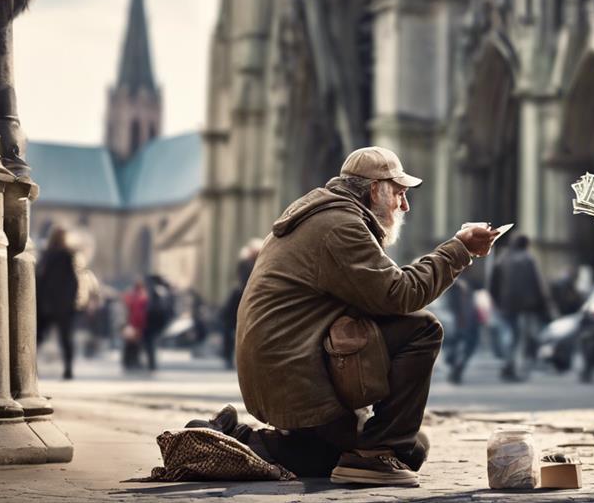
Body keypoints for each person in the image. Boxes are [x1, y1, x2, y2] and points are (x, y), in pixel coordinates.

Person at [200, 147, 497, 487]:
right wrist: (458, 249)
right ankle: (376, 456)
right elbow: (400, 294)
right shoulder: (340, 227)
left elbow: (372, 301)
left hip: (286, 369)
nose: (405, 206)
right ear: (375, 189)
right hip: (294, 374)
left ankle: (239, 440)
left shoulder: (324, 217)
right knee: (422, 329)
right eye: (399, 194)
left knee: (411, 450)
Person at [489, 234, 552, 382]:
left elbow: (492, 284)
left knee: (510, 335)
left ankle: (508, 364)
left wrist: (497, 301)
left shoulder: (502, 259)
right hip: (524, 306)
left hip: (505, 305)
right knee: (519, 337)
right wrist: (544, 305)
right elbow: (537, 284)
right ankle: (511, 366)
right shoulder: (528, 259)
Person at [36, 226, 80, 380]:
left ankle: (29, 367)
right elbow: (74, 280)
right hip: (63, 305)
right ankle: (68, 369)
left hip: (47, 303)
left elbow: (40, 279)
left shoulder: (47, 255)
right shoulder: (68, 255)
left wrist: (40, 300)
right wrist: (71, 301)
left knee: (38, 336)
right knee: (66, 338)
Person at [221, 239, 262, 369]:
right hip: (245, 298)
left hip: (247, 298)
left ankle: (233, 356)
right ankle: (230, 356)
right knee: (233, 329)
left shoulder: (251, 263)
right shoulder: (248, 263)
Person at [443, 276, 480, 384]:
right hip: (458, 320)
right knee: (461, 346)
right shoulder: (456, 284)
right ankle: (456, 368)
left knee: (461, 346)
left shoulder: (464, 283)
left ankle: (456, 368)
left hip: (462, 320)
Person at [143, 274, 174, 371]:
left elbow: (155, 307)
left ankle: (151, 364)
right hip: (156, 320)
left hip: (152, 320)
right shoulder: (161, 290)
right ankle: (151, 363)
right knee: (151, 343)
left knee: (150, 343)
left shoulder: (156, 290)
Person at [122, 280, 149, 370]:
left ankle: (128, 362)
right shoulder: (143, 296)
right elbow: (140, 313)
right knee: (137, 345)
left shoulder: (131, 296)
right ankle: (134, 362)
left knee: (130, 345)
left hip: (131, 323)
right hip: (138, 324)